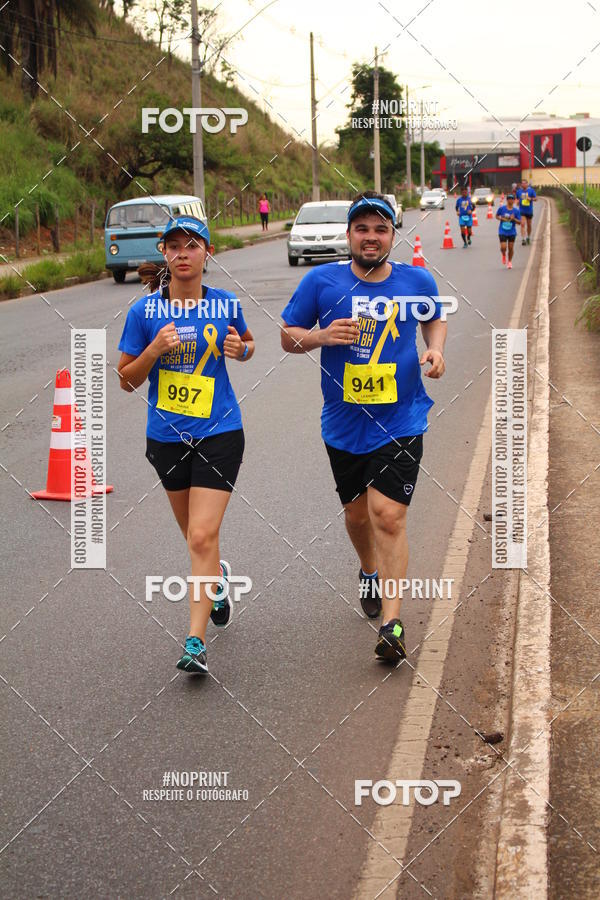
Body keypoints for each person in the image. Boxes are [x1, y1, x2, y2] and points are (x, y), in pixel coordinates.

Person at [280, 191, 447, 663]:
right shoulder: (322, 282)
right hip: (343, 423)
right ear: (349, 234)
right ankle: (368, 569)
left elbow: (433, 320)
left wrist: (435, 351)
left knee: (388, 516)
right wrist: (320, 336)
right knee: (356, 516)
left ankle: (392, 621)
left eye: (380, 229)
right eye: (362, 229)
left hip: (402, 418)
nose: (371, 237)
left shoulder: (417, 280)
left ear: (393, 235)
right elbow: (287, 335)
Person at [117, 216, 255, 675]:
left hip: (220, 432)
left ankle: (194, 641)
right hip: (166, 439)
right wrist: (153, 351)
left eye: (191, 245)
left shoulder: (225, 304)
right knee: (194, 536)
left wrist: (242, 350)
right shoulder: (144, 314)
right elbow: (125, 381)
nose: (182, 253)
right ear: (164, 254)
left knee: (201, 535)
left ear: (207, 253)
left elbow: (248, 343)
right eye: (173, 246)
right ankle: (217, 583)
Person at [495, 194, 521, 269]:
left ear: (514, 200)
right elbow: (496, 216)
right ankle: (503, 254)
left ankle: (509, 261)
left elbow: (519, 222)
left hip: (512, 232)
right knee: (503, 247)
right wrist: (501, 219)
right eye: (509, 199)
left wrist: (513, 219)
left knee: (510, 248)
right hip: (502, 230)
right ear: (507, 200)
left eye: (512, 199)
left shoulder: (516, 211)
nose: (511, 200)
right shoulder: (502, 208)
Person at [516, 178, 537, 245]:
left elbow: (536, 199)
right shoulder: (519, 191)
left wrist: (530, 198)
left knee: (529, 225)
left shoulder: (531, 190)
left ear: (527, 184)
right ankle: (523, 239)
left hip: (529, 211)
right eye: (522, 183)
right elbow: (517, 199)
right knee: (522, 224)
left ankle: (528, 237)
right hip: (522, 210)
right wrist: (517, 202)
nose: (523, 184)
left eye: (525, 183)